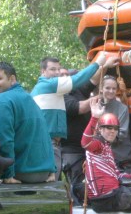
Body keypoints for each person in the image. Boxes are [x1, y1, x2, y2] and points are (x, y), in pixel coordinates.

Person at [30, 53, 115, 181]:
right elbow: (79, 85)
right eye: (53, 69)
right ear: (43, 71)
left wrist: (105, 66)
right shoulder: (49, 86)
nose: (58, 74)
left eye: (59, 69)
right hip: (53, 144)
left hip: (54, 143)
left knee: (54, 180)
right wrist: (97, 63)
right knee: (52, 183)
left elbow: (92, 80)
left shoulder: (58, 90)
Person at [0, 61, 55, 184]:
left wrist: (7, 175)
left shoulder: (2, 100)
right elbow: (45, 134)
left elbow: (3, 140)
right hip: (44, 173)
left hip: (20, 174)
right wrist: (52, 169)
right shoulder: (28, 98)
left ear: (12, 79)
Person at [100, 75, 131, 168]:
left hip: (120, 158)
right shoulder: (96, 106)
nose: (111, 91)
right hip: (102, 157)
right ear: (101, 88)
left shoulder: (122, 108)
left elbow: (122, 133)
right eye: (107, 88)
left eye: (114, 89)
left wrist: (100, 138)